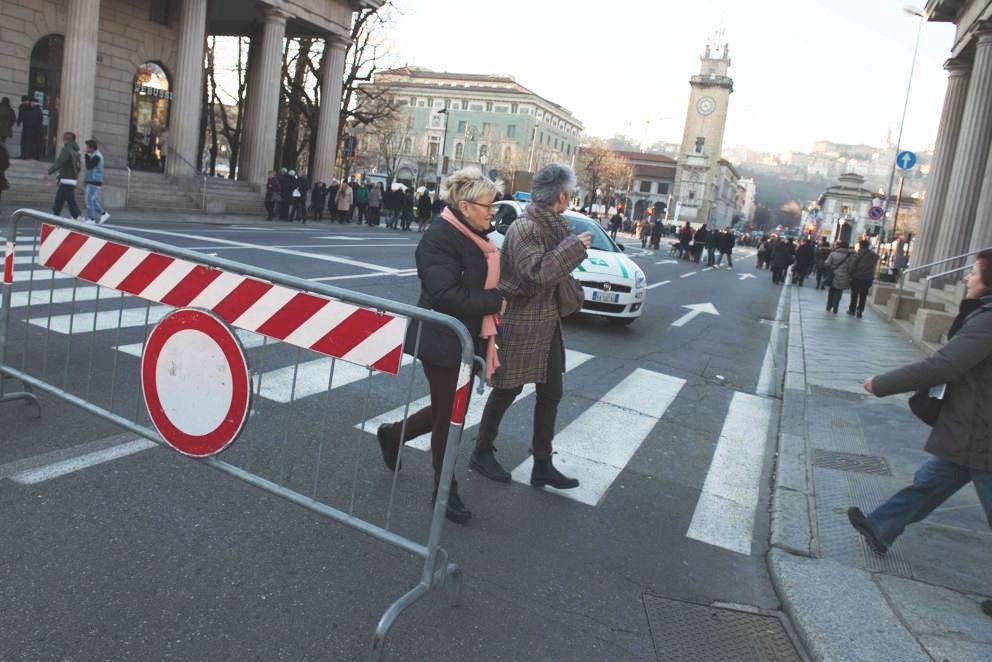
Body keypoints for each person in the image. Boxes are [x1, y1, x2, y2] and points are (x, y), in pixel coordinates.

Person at [849, 250, 992, 621]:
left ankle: (882, 526)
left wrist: (882, 384)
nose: (966, 278)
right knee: (929, 482)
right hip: (973, 429)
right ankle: (881, 527)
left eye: (974, 273)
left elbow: (943, 364)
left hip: (985, 432)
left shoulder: (989, 321)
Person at [375, 168, 506, 524]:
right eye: (488, 206)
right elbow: (446, 293)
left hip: (466, 338)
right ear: (465, 206)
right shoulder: (439, 237)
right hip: (442, 339)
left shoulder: (476, 235)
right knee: (451, 416)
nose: (492, 212)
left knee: (448, 409)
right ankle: (444, 491)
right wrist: (495, 301)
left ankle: (393, 434)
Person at [470, 163, 592, 489]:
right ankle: (481, 451)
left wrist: (570, 248)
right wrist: (574, 248)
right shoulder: (526, 228)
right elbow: (535, 274)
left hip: (547, 323)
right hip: (522, 321)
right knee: (508, 388)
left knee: (551, 392)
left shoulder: (554, 226)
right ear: (561, 196)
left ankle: (542, 463)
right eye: (570, 194)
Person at [45, 131, 82, 221]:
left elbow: (60, 162)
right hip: (70, 178)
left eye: (65, 138)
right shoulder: (75, 151)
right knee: (60, 197)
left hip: (67, 179)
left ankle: (76, 215)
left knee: (69, 199)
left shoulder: (67, 149)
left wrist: (49, 171)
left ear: (66, 140)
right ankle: (56, 214)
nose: (64, 140)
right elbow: (78, 167)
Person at [847, 238, 880, 318]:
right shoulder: (874, 255)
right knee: (863, 295)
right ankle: (860, 310)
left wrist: (850, 273)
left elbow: (852, 265)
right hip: (868, 278)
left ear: (861, 245)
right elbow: (877, 258)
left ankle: (852, 309)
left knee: (854, 294)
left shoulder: (859, 254)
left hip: (857, 277)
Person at [82, 139, 111, 224]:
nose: (86, 148)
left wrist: (86, 155)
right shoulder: (95, 155)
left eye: (87, 147)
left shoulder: (97, 156)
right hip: (92, 181)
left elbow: (89, 166)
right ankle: (104, 214)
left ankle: (91, 219)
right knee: (92, 200)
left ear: (92, 148)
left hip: (94, 181)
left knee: (89, 200)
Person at [823, 239, 855, 313]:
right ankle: (835, 305)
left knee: (831, 291)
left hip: (833, 275)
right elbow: (851, 267)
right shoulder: (850, 256)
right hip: (844, 276)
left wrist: (830, 269)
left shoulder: (833, 254)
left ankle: (829, 306)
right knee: (839, 291)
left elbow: (827, 264)